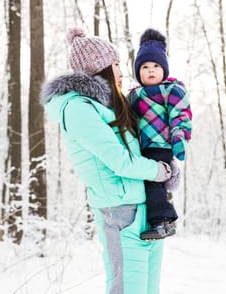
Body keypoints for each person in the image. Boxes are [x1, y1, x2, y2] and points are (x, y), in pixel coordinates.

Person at [41, 27, 172, 294]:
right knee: (127, 287)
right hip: (120, 208)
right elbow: (118, 160)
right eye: (115, 64)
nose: (122, 72)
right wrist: (158, 172)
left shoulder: (109, 104)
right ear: (99, 67)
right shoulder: (78, 108)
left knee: (148, 288)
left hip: (143, 204)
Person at [128, 28, 192, 241]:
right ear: (138, 72)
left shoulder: (172, 90)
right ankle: (154, 219)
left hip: (161, 146)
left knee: (153, 183)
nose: (151, 70)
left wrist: (179, 139)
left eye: (156, 66)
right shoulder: (135, 95)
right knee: (146, 184)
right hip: (142, 148)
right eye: (145, 67)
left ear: (164, 69)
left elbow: (180, 115)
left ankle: (163, 222)